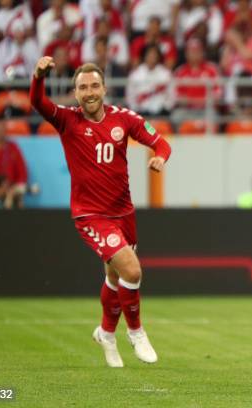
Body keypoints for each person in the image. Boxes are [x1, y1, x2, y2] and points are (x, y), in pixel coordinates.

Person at [29, 56, 172, 368]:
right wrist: (38, 75)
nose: (89, 91)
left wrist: (160, 158)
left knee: (113, 277)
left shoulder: (124, 119)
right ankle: (136, 333)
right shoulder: (67, 120)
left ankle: (106, 333)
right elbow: (37, 101)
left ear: (105, 88)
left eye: (94, 85)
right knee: (132, 272)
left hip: (123, 213)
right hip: (90, 215)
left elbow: (160, 143)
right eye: (83, 87)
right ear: (76, 93)